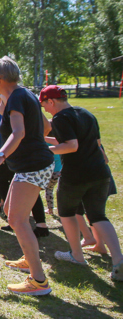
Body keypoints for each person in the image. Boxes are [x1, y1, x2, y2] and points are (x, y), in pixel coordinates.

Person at [0, 57, 55, 296]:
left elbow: (18, 132)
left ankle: (39, 281)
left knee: (17, 219)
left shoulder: (15, 98)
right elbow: (46, 127)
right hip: (31, 164)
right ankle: (29, 258)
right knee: (12, 214)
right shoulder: (25, 94)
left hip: (33, 166)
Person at [38, 86, 123, 280]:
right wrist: (43, 139)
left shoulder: (60, 118)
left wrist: (44, 150)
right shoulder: (85, 113)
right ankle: (118, 259)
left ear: (51, 101)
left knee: (66, 212)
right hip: (100, 172)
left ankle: (77, 256)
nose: (46, 111)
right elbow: (91, 143)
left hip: (76, 174)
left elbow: (71, 145)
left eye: (45, 106)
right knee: (98, 215)